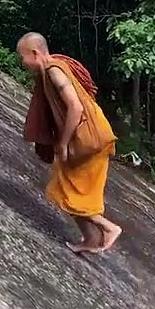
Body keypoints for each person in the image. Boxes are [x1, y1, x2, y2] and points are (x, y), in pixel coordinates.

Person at [17, 32, 123, 253]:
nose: (23, 63)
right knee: (64, 185)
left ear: (35, 53)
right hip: (95, 138)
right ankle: (90, 240)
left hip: (88, 141)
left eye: (23, 57)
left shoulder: (54, 71)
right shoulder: (53, 69)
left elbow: (76, 107)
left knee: (66, 189)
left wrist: (63, 143)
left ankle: (108, 227)